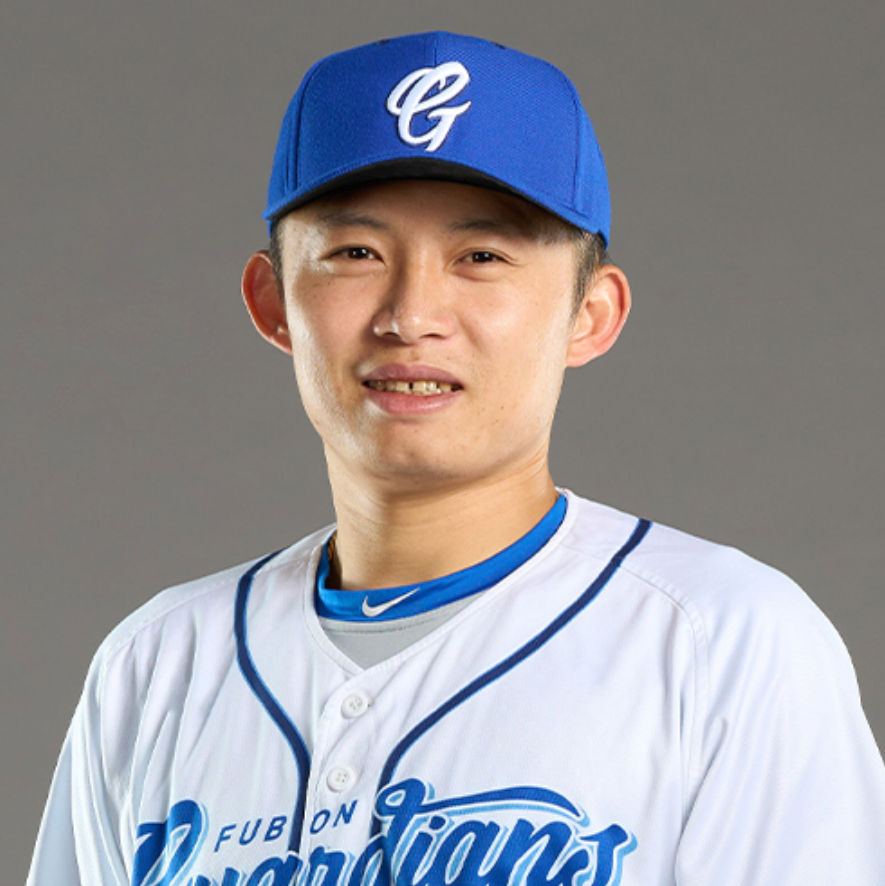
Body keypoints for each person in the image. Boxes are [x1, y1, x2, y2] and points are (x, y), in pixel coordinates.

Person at [27, 30, 885, 886]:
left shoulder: (719, 640)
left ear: (589, 314)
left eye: (481, 257)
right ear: (273, 301)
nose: (410, 315)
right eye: (355, 254)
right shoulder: (158, 663)